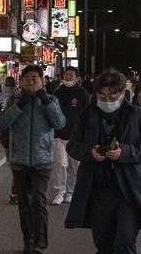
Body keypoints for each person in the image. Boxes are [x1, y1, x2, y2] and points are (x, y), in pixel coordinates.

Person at [65, 70, 141, 253]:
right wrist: (90, 152)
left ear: (122, 94)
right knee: (103, 244)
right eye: (102, 95)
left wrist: (124, 152)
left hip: (130, 189)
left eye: (112, 95)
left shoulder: (138, 114)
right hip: (97, 189)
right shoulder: (88, 114)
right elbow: (72, 146)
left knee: (125, 243)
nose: (107, 100)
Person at [0, 65, 66, 254]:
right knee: (24, 204)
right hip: (19, 159)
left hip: (42, 159)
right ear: (21, 81)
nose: (30, 81)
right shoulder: (14, 99)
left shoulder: (51, 99)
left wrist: (46, 102)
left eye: (34, 78)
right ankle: (28, 240)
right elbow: (2, 122)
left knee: (38, 201)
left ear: (42, 80)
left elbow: (60, 123)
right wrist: (20, 106)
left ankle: (39, 243)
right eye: (26, 78)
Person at [52, 66, 90, 205]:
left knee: (74, 166)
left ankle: (71, 192)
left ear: (77, 77)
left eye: (71, 75)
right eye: (66, 75)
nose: (68, 77)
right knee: (60, 164)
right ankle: (59, 193)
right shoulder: (57, 93)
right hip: (59, 135)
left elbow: (88, 114)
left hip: (76, 137)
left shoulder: (82, 93)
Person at [0, 76, 19, 205]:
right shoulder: (19, 95)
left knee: (9, 150)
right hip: (17, 132)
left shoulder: (1, 95)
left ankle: (10, 163)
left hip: (5, 130)